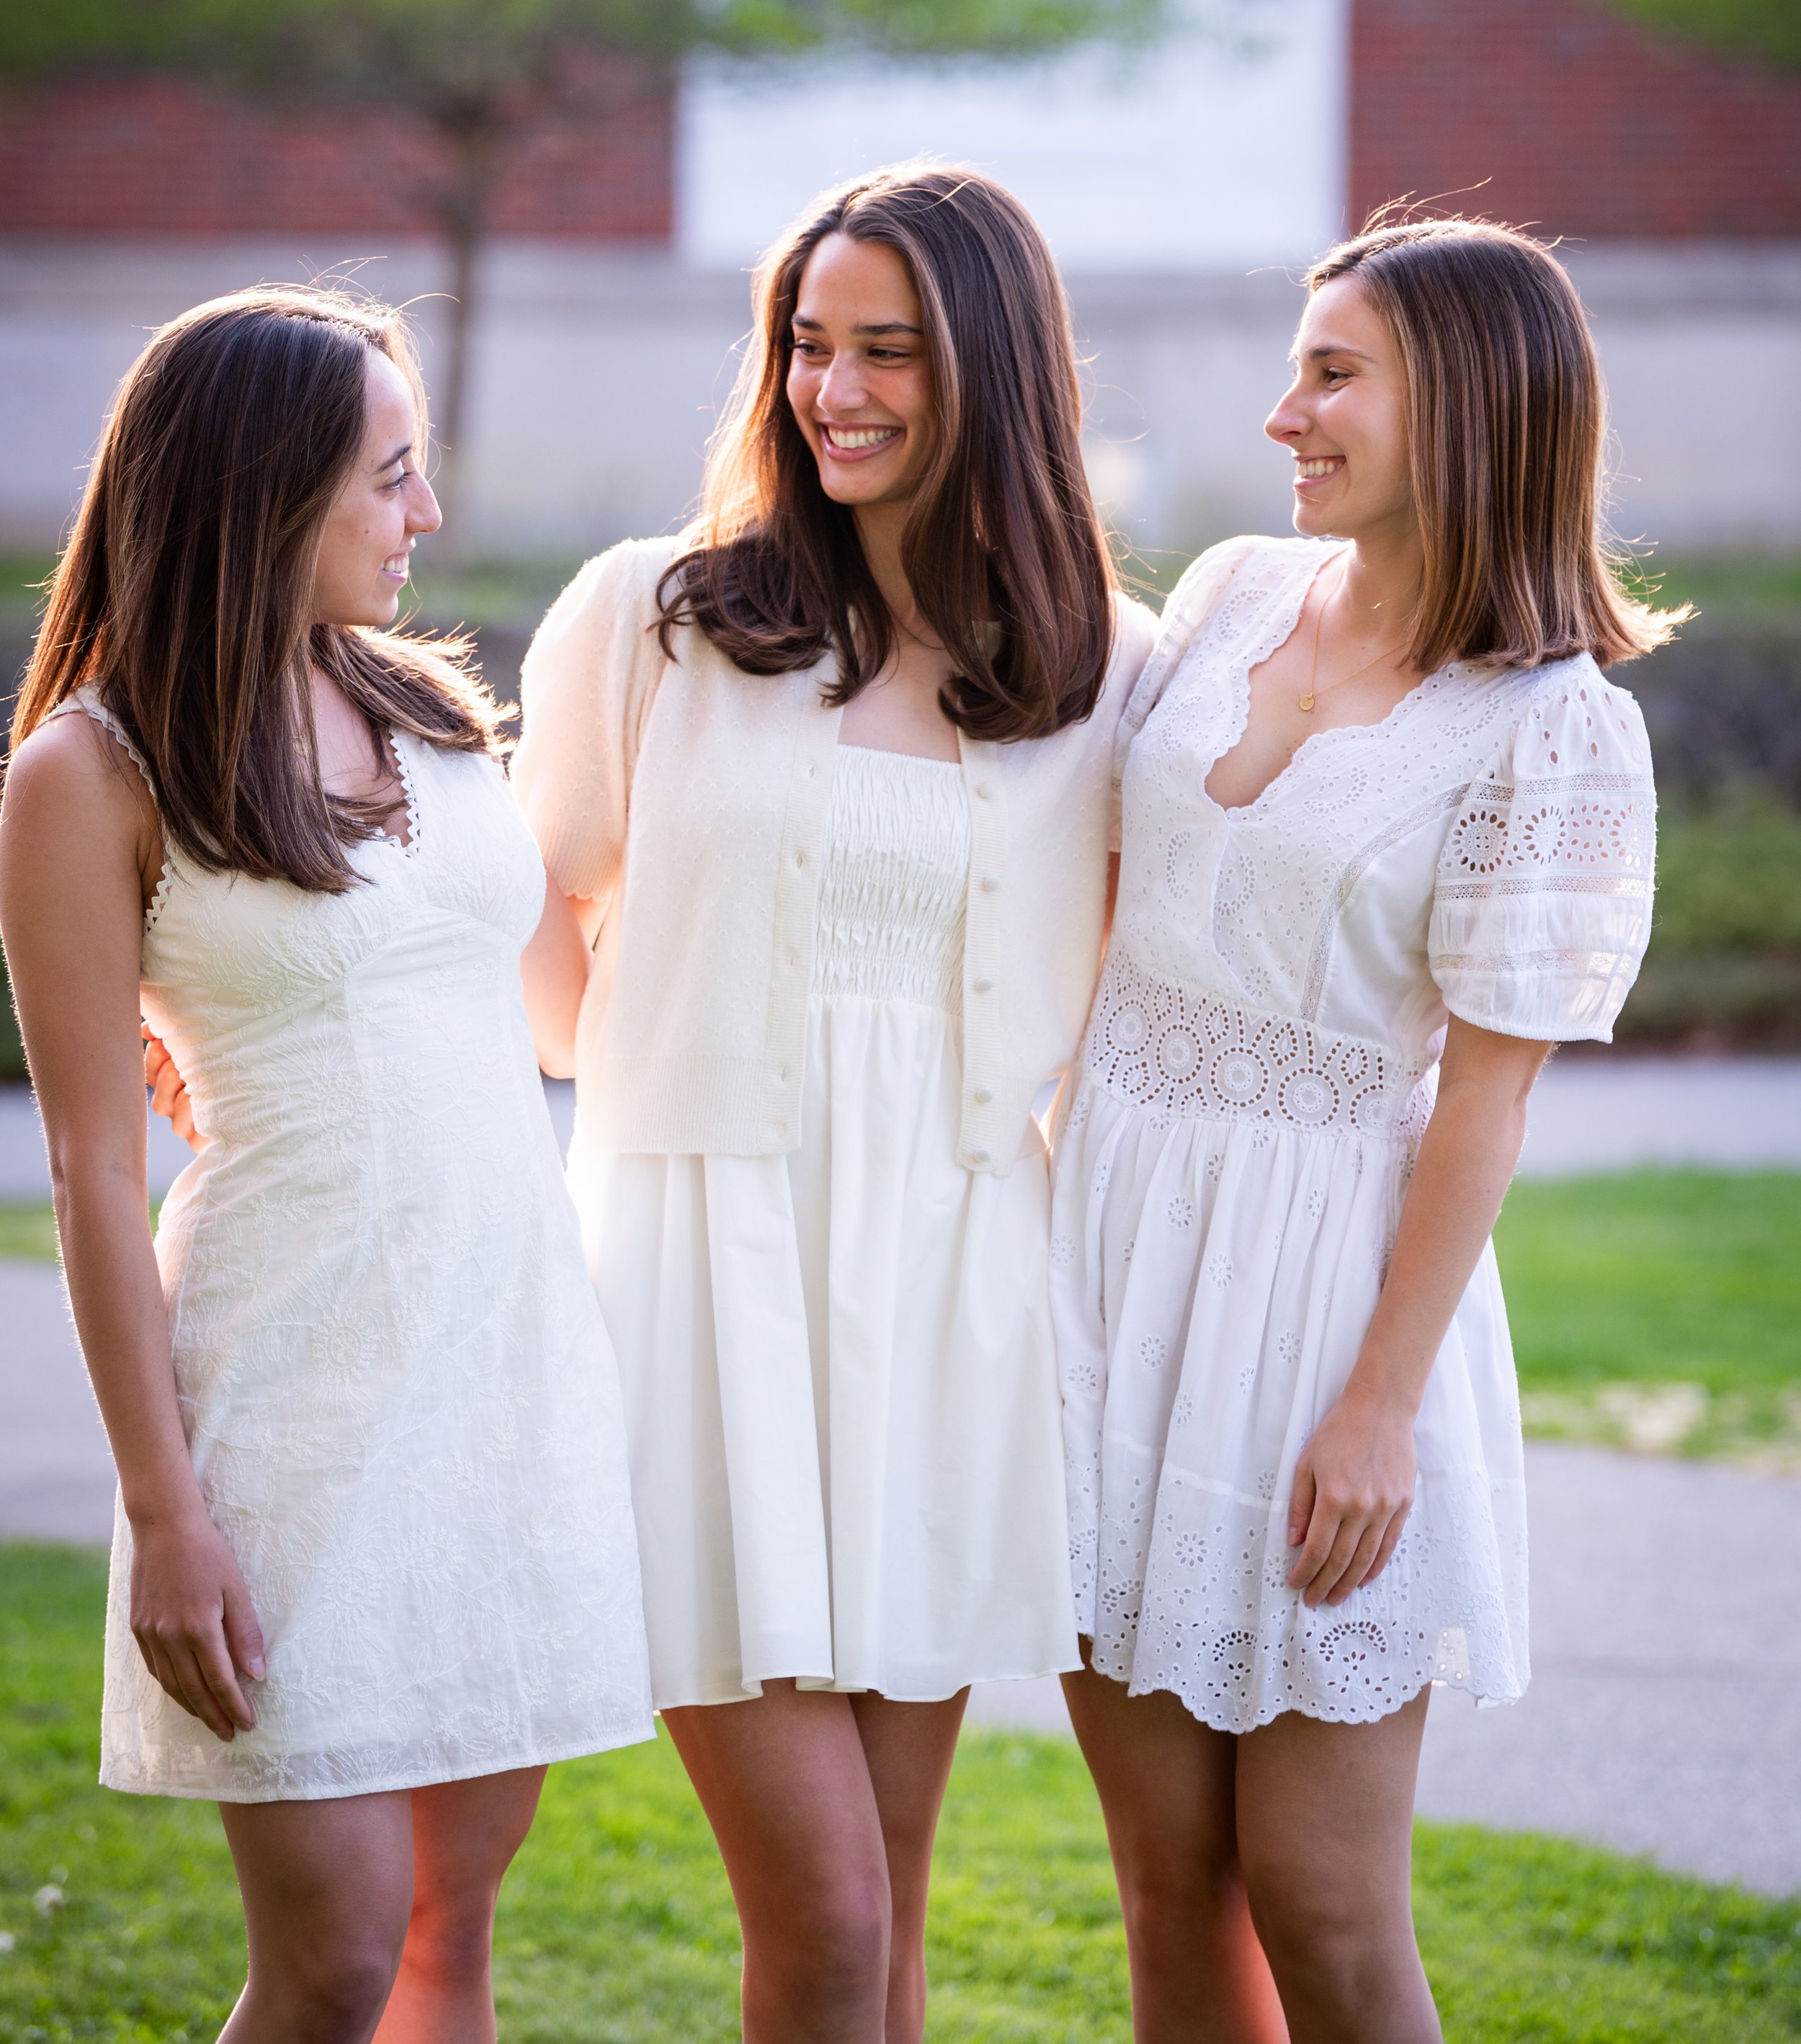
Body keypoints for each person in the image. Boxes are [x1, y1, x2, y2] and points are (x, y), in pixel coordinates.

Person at [510, 164, 1155, 2044]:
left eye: (888, 348)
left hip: (952, 1295)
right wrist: (639, 1078)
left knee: (887, 1917)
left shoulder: (1104, 666)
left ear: (999, 377)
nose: (835, 387)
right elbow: (524, 925)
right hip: (706, 1284)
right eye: (807, 340)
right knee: (826, 1906)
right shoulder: (651, 618)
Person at [0, 287, 651, 2044]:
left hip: (505, 1375)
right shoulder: (89, 770)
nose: (424, 517)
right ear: (260, 489)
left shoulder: (432, 712)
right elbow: (85, 1165)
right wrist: (163, 1511)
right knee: (336, 1951)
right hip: (292, 1399)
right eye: (390, 476)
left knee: (454, 1929)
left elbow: (544, 1000)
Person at [1050, 218, 1671, 2043]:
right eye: (1294, 366)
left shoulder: (1548, 728)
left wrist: (1379, 1405)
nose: (1280, 414)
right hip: (1113, 1258)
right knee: (1165, 1880)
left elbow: (1485, 1093)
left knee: (1320, 1903)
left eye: (1331, 374)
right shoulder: (1235, 591)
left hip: (1326, 1297)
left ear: (1465, 405)